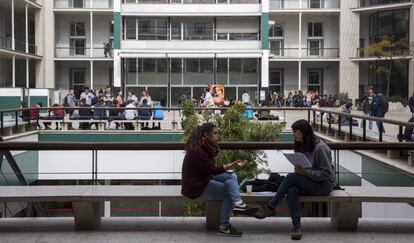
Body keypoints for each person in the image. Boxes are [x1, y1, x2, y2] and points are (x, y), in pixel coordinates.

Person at [255, 119, 335, 240]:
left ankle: (270, 207)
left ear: (304, 132)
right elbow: (308, 169)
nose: (293, 134)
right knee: (291, 190)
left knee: (291, 177)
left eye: (295, 131)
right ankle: (296, 227)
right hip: (311, 182)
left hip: (323, 185)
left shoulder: (320, 148)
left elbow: (326, 174)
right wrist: (301, 170)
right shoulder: (303, 145)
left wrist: (305, 172)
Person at [181, 123, 257, 237]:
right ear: (206, 134)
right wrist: (230, 165)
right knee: (229, 193)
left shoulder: (205, 146)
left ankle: (238, 204)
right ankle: (224, 226)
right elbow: (211, 170)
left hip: (203, 178)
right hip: (195, 186)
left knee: (231, 176)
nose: (218, 136)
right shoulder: (198, 150)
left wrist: (232, 166)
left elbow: (209, 170)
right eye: (215, 133)